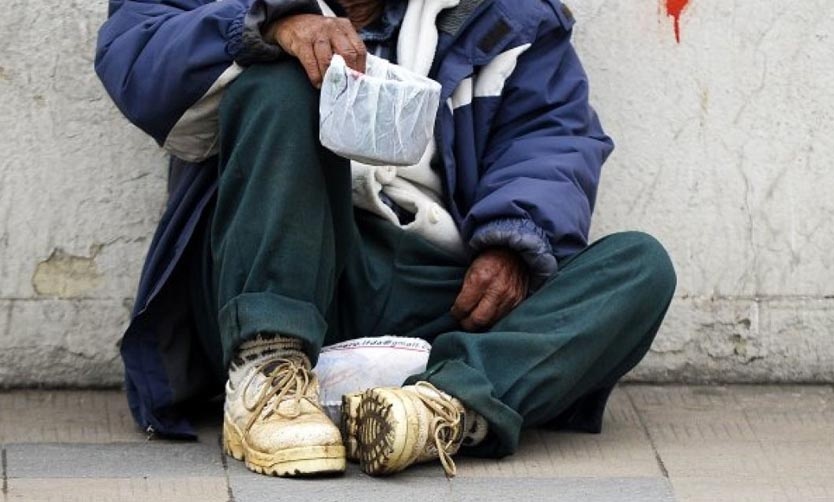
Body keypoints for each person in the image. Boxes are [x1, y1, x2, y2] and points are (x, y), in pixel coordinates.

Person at [95, 0, 676, 479]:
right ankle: (268, 374)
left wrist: (514, 242)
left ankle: (437, 409)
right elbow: (135, 48)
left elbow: (552, 140)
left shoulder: (506, 15)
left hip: (437, 300)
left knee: (640, 268)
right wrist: (269, 23)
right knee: (279, 83)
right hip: (274, 270)